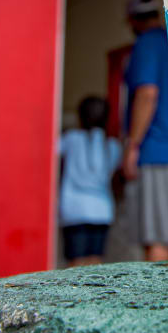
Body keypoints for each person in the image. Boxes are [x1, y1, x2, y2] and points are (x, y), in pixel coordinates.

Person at [120, 0, 168, 262]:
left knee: (157, 239)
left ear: (131, 21)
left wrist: (133, 145)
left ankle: (160, 305)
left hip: (157, 151)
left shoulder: (146, 44)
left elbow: (147, 94)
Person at [59, 95, 121, 267]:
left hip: (74, 209)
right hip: (102, 210)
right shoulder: (113, 145)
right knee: (95, 261)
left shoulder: (71, 138)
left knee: (75, 262)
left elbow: (51, 149)